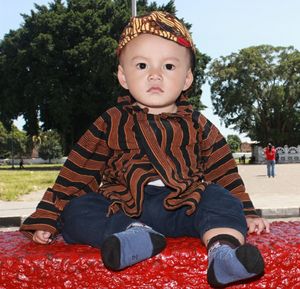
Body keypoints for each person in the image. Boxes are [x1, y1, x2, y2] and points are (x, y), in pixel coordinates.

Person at [20, 11, 270, 288]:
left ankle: (223, 252)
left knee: (220, 198)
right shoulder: (111, 120)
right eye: (141, 66)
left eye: (169, 67)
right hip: (122, 207)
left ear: (187, 79)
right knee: (77, 210)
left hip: (185, 205)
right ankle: (136, 236)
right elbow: (78, 169)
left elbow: (223, 171)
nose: (154, 75)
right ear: (123, 76)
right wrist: (48, 217)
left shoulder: (198, 125)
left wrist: (246, 211)